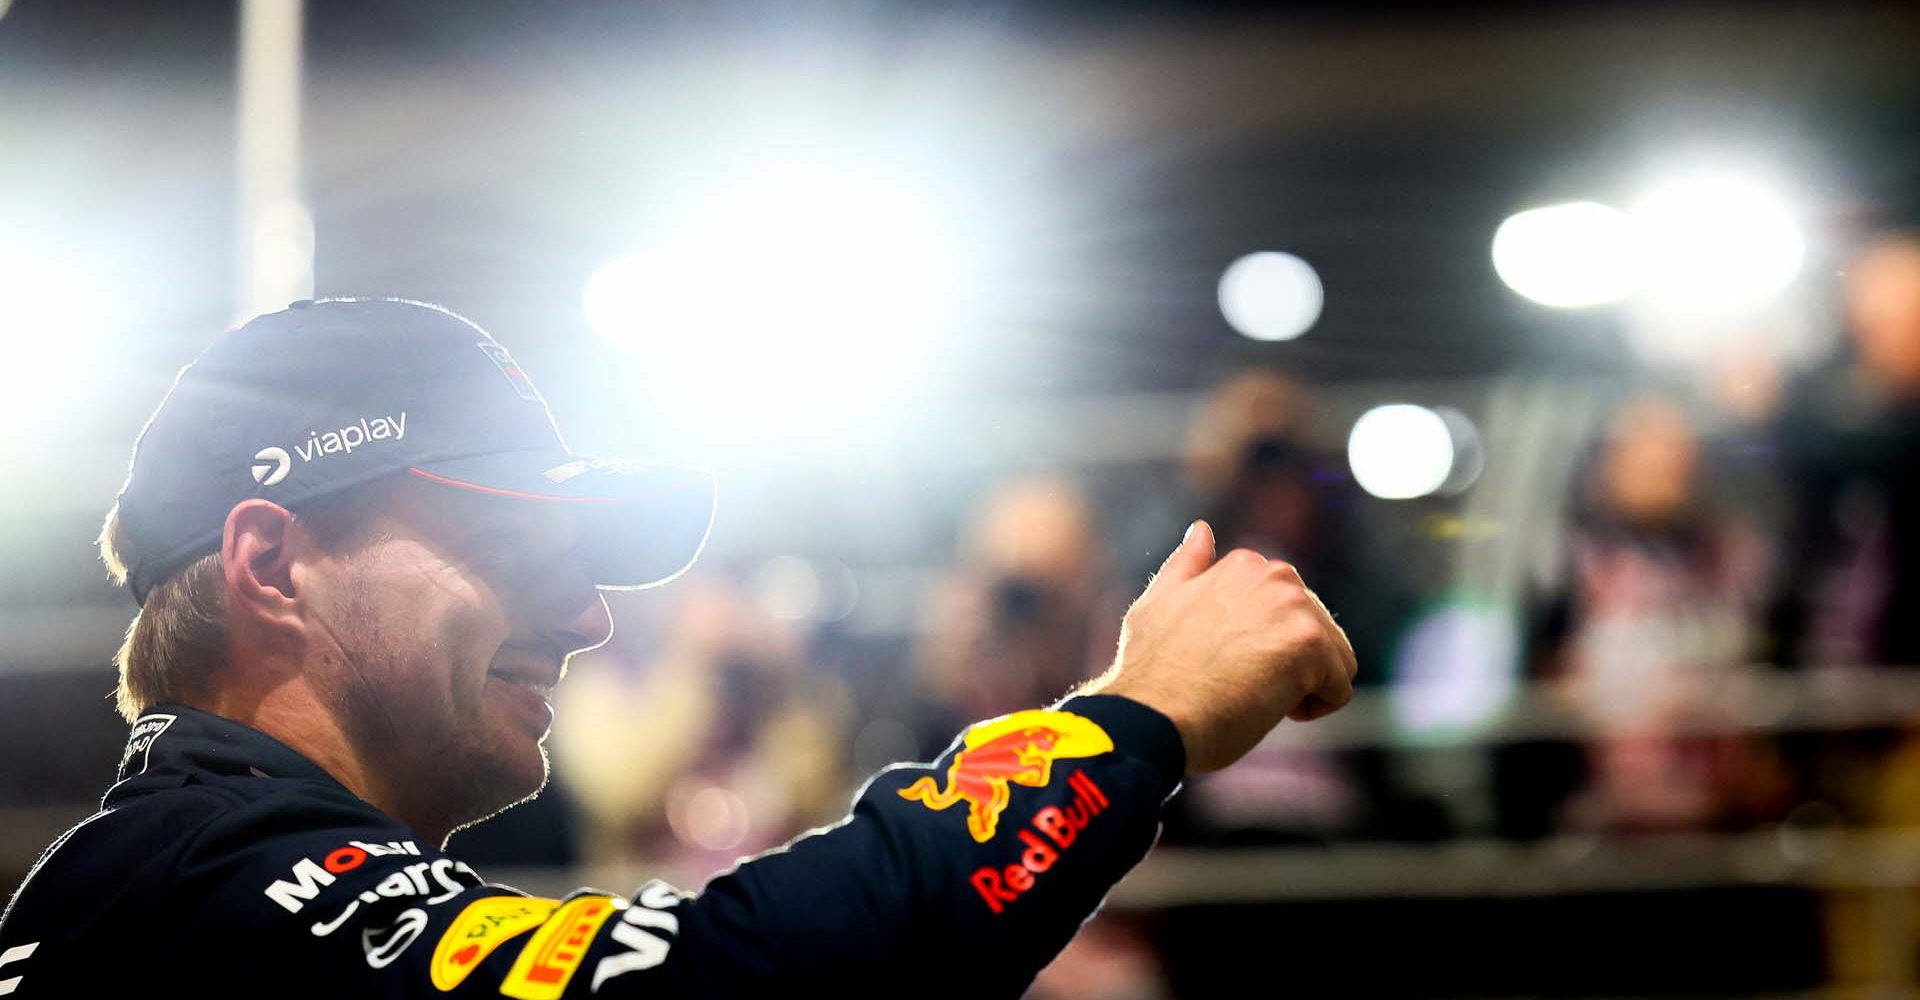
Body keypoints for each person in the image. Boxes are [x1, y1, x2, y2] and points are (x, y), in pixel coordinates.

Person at [0, 298, 1357, 998]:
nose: (587, 616)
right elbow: (732, 987)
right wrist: (1138, 717)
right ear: (272, 566)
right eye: (513, 549)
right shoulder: (194, 894)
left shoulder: (173, 886)